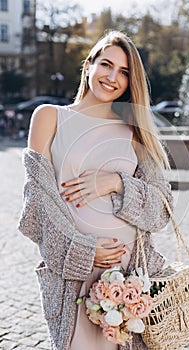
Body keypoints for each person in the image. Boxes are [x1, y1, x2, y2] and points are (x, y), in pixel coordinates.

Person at [18, 30, 173, 350]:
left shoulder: (135, 132)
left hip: (131, 279)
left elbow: (162, 208)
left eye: (124, 72)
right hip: (74, 274)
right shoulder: (49, 117)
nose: (112, 76)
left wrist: (116, 182)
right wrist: (84, 249)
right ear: (88, 66)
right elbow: (38, 204)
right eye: (106, 64)